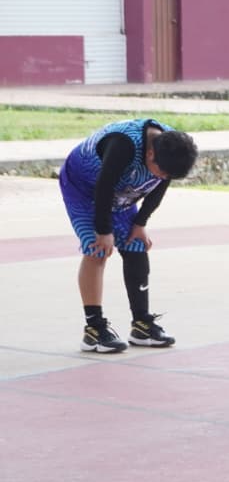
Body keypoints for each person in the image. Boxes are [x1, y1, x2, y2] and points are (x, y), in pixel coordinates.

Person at [60, 119, 198, 354]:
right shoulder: (123, 144)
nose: (164, 176)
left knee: (136, 245)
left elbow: (159, 184)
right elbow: (104, 186)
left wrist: (140, 222)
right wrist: (103, 231)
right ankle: (94, 330)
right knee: (97, 249)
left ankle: (141, 324)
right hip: (84, 188)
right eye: (162, 171)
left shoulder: (172, 149)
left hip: (121, 189)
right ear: (150, 153)